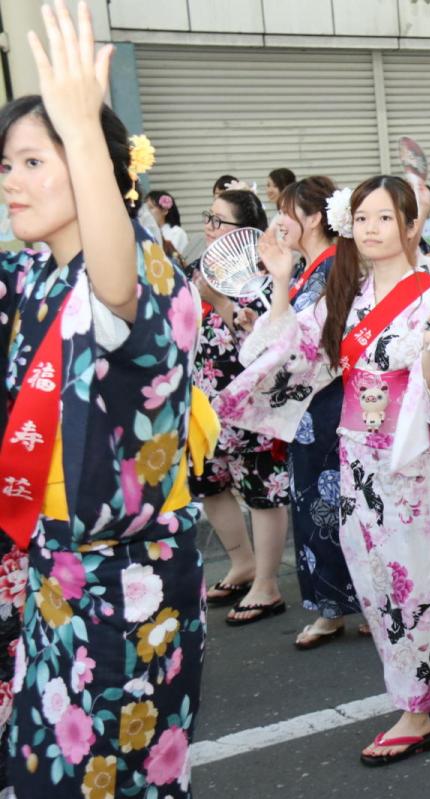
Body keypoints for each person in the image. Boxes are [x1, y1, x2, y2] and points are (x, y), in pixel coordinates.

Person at [0, 3, 209, 794]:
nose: (12, 182)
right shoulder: (32, 273)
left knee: (108, 778)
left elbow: (114, 286)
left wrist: (82, 126)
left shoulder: (138, 269)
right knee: (42, 765)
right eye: (6, 165)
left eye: (33, 161)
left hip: (126, 580)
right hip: (54, 567)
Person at [217, 174, 430, 762]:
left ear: (411, 226)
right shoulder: (347, 297)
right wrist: (281, 280)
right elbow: (289, 352)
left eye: (385, 218)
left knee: (409, 579)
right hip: (356, 456)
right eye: (362, 218)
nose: (371, 229)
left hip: (407, 463)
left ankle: (416, 712)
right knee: (378, 576)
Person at [263, 176, 363, 649]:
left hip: (329, 402)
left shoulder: (331, 270)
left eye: (287, 213)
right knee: (318, 505)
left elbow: (306, 343)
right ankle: (335, 604)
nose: (280, 221)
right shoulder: (313, 269)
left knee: (333, 505)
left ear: (314, 218)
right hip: (311, 406)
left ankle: (345, 603)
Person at [191, 189, 293, 624]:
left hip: (252, 405)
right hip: (204, 405)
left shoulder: (265, 276)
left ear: (245, 231)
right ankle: (242, 563)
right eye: (208, 218)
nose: (209, 227)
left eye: (219, 221)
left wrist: (219, 303)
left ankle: (267, 584)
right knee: (209, 484)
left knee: (262, 491)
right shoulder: (196, 271)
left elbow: (271, 344)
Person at [144, 189, 188, 259]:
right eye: (145, 209)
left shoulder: (177, 233)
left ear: (164, 210)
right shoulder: (145, 231)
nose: (146, 212)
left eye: (151, 208)